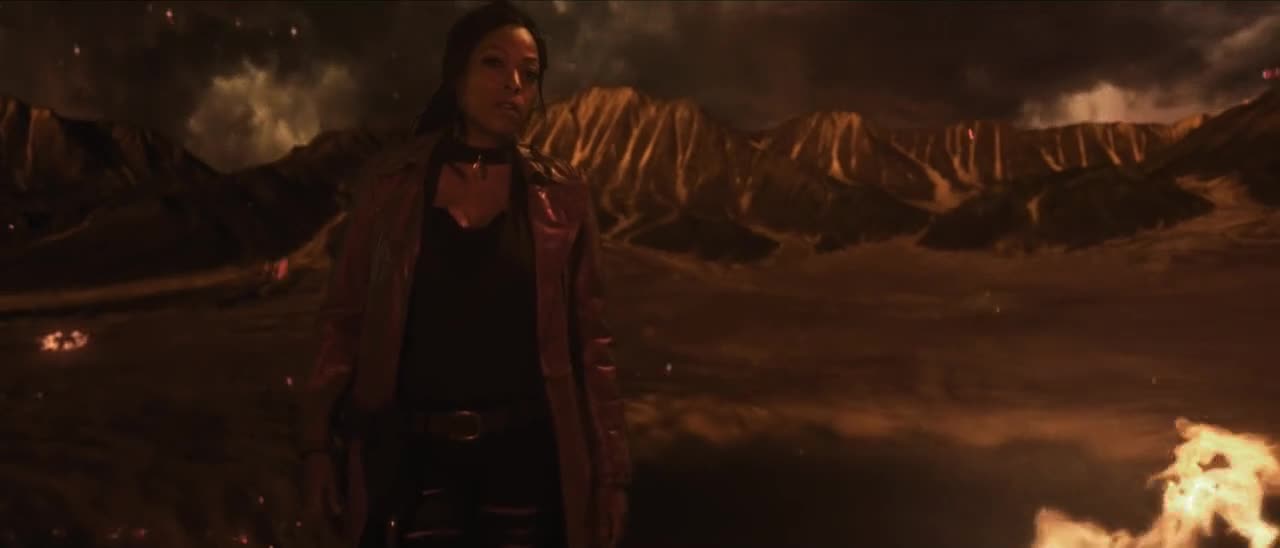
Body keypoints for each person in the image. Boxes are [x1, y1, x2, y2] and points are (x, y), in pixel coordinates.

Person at [296, 2, 631, 547]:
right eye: (494, 63)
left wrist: (612, 476)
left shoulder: (561, 197)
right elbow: (344, 321)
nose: (514, 85)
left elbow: (592, 345)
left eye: (529, 74)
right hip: (412, 463)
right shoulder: (392, 186)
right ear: (457, 75)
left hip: (525, 464)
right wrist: (316, 447)